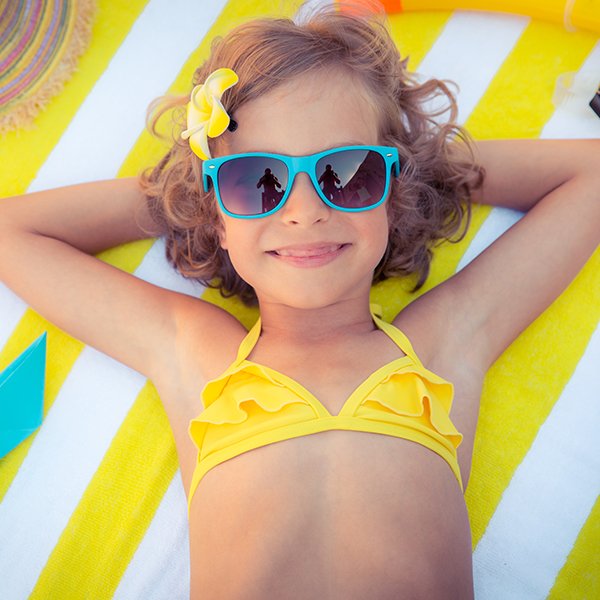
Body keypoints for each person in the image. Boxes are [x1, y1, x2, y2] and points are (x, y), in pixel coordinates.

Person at [0, 6, 598, 599]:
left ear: (394, 191)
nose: (305, 209)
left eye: (348, 171)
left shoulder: (444, 343)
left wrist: (418, 165)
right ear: (217, 212)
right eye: (256, 180)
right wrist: (189, 189)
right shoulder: (194, 352)